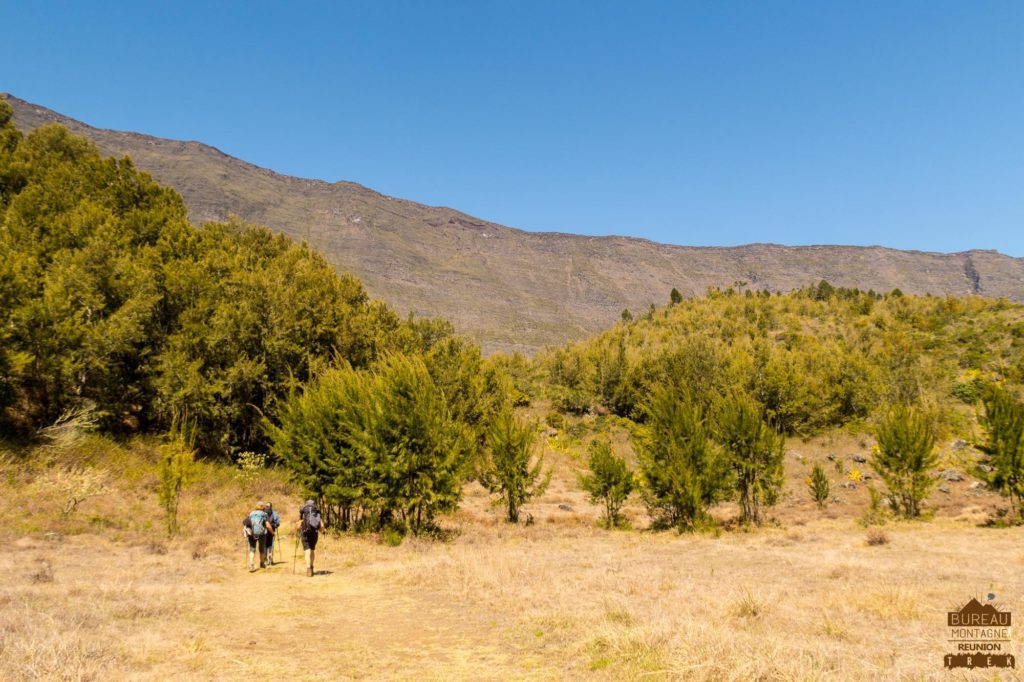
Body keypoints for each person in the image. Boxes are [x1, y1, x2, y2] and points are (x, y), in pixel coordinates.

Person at [296, 499, 325, 577]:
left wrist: (298, 530)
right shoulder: (316, 512)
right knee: (312, 550)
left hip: (304, 533)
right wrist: (323, 531)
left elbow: (298, 525)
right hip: (314, 533)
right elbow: (321, 525)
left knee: (307, 551)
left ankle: (308, 569)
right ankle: (312, 567)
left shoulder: (302, 512)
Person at [245, 502, 275, 572]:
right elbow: (267, 525)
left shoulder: (251, 513)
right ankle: (262, 563)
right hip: (262, 534)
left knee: (252, 549)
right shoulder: (264, 514)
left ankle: (251, 563)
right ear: (263, 507)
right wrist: (272, 532)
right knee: (262, 549)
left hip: (252, 533)